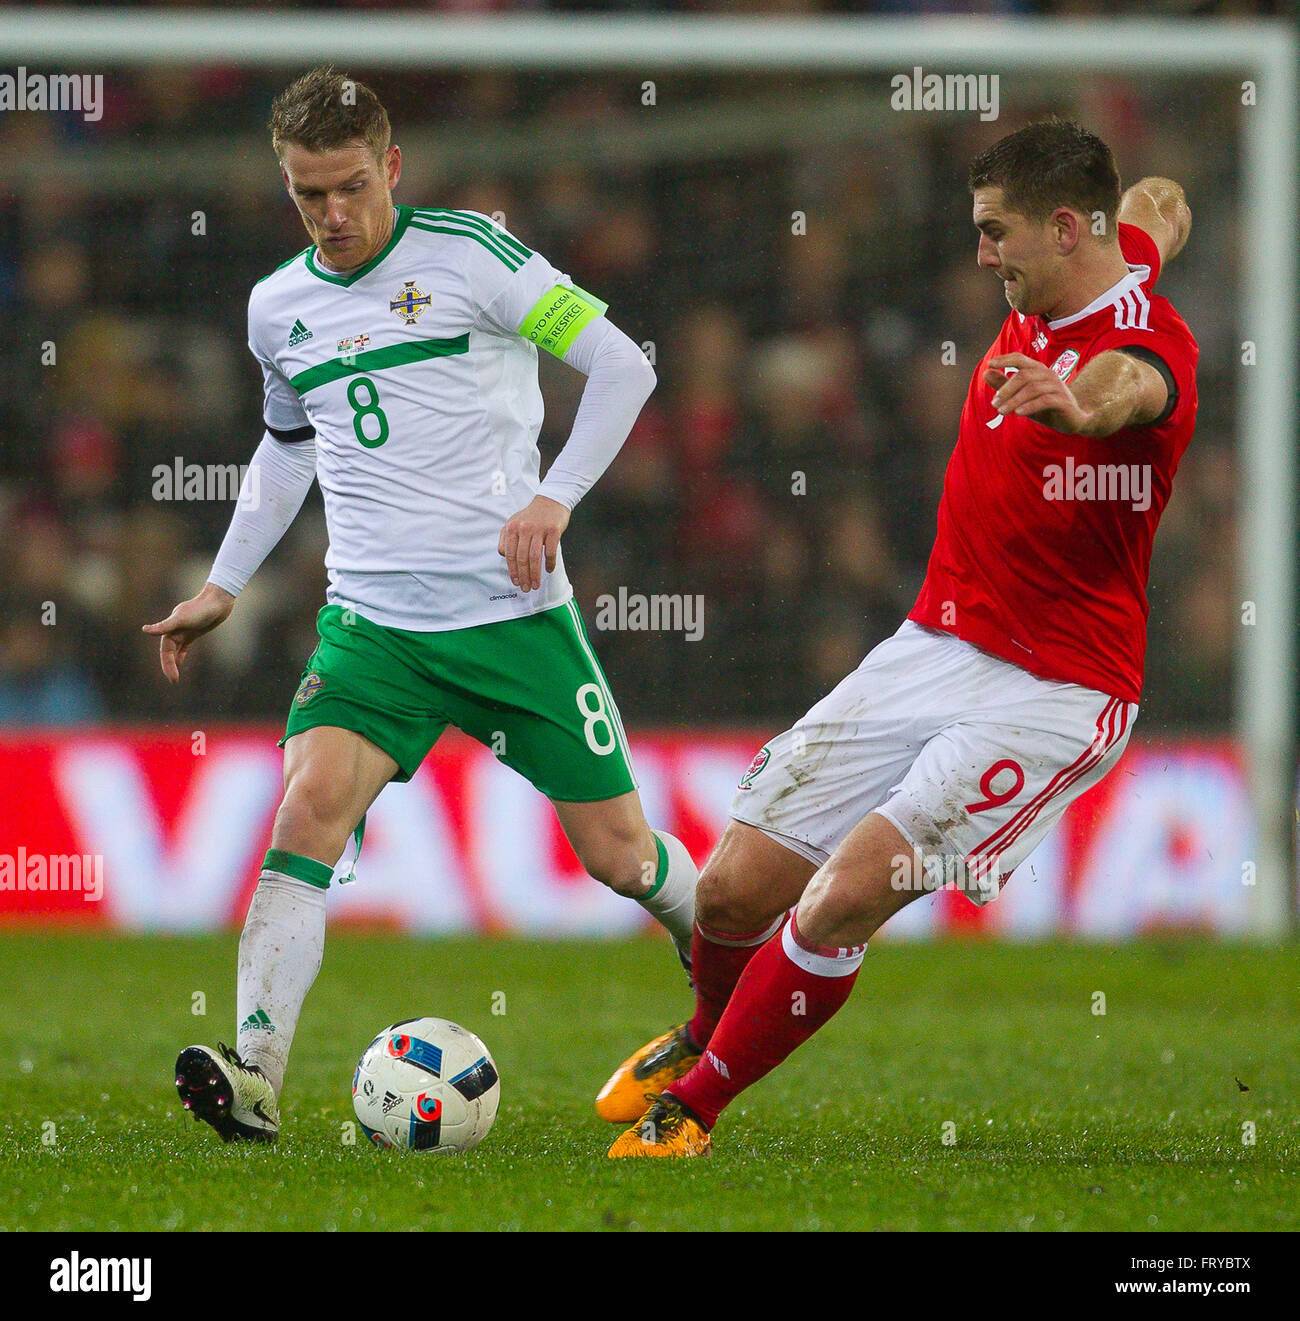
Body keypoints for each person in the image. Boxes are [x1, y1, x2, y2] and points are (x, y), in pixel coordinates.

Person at [600, 120, 1197, 1157]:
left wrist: (1075, 403)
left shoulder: (1145, 354)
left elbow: (1126, 391)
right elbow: (1161, 200)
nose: (980, 256)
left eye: (992, 233)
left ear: (1059, 231)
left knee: (841, 898)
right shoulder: (1097, 255)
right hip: (936, 643)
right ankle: (702, 1027)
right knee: (734, 886)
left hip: (1054, 693)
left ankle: (693, 1104)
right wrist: (1143, 212)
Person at [145, 66, 698, 1143]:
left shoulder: (471, 257)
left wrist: (555, 497)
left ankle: (718, 961)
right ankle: (254, 1074)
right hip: (374, 628)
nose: (334, 214)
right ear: (286, 183)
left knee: (622, 858)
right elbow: (284, 448)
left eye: (351, 185)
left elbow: (622, 367)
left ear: (391, 166)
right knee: (306, 807)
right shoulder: (277, 307)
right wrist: (222, 584)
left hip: (510, 617)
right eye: (310, 194)